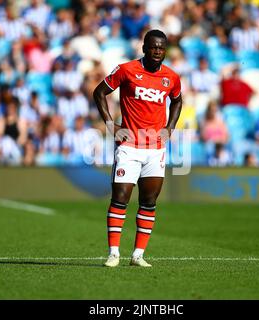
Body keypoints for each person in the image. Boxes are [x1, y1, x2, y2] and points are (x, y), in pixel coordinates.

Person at [93, 30, 182, 268]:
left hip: (155, 149)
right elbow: (99, 92)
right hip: (129, 146)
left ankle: (138, 255)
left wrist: (170, 127)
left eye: (161, 48)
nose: (157, 51)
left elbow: (177, 100)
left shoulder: (171, 77)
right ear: (144, 48)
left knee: (149, 201)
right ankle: (113, 253)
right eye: (153, 47)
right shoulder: (126, 70)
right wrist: (111, 126)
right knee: (120, 198)